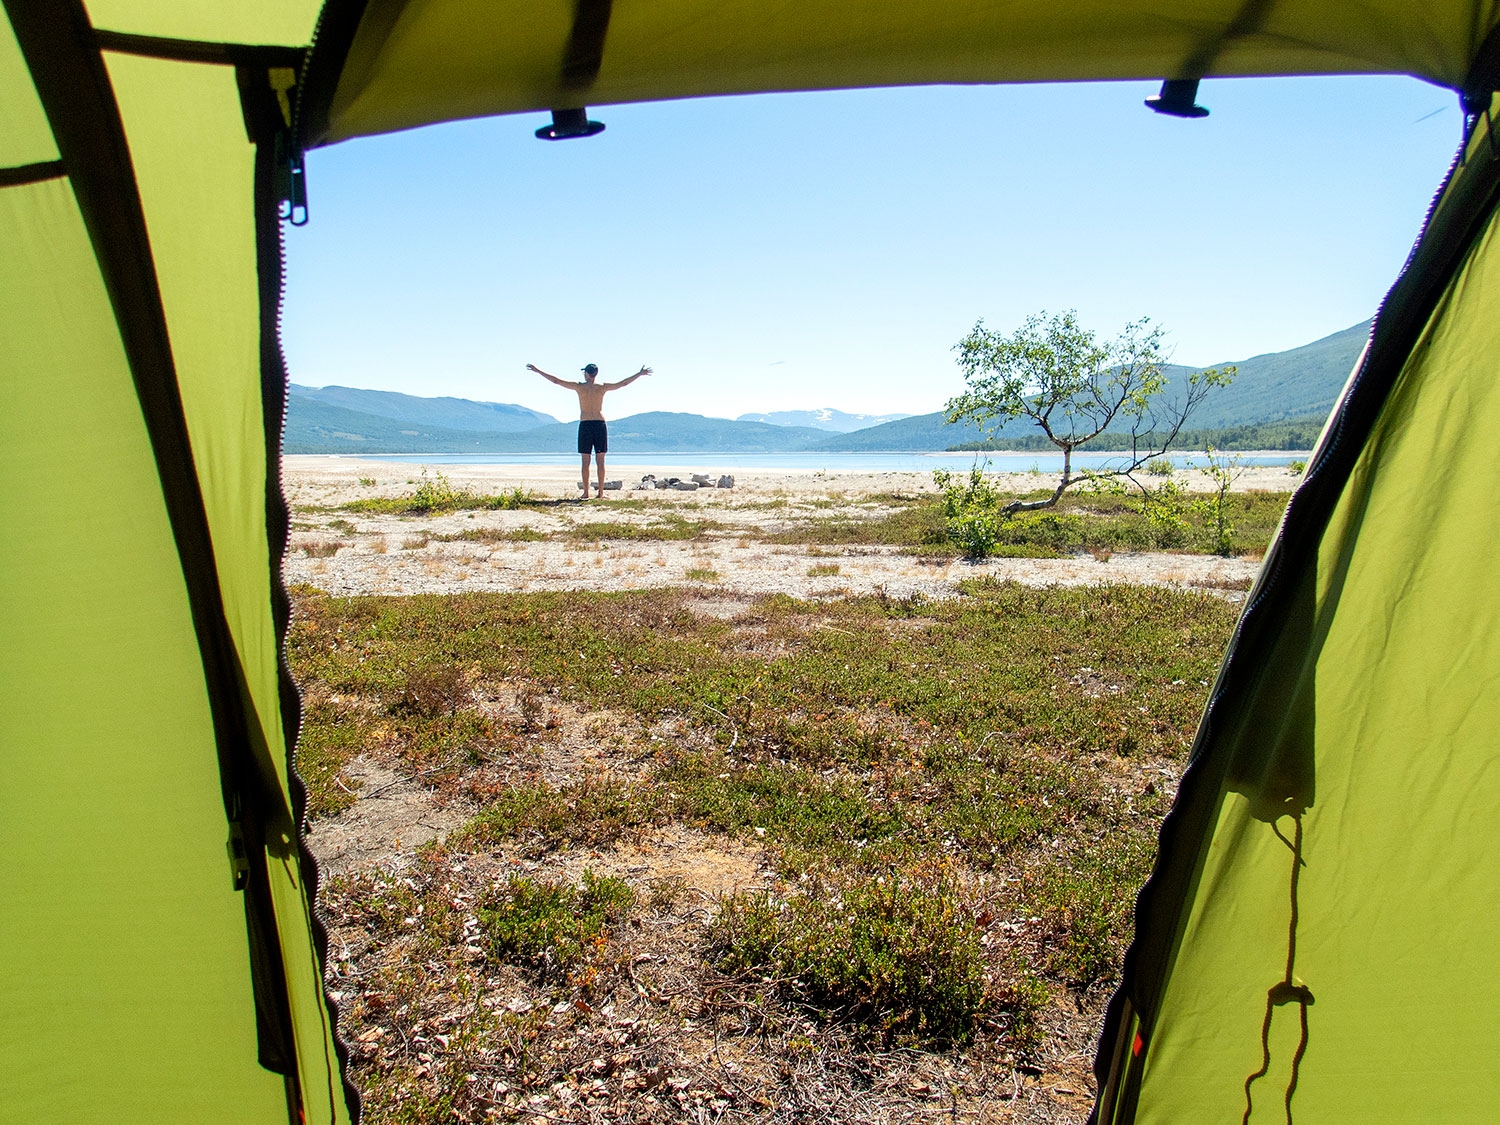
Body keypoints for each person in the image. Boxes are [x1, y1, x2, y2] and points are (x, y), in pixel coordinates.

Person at [526, 361, 651, 498]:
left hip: (586, 424)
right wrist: (639, 374)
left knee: (586, 461)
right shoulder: (602, 388)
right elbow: (623, 383)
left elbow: (556, 381)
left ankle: (586, 493)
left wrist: (538, 371)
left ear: (587, 373)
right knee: (600, 460)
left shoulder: (580, 387)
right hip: (599, 423)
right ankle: (600, 493)